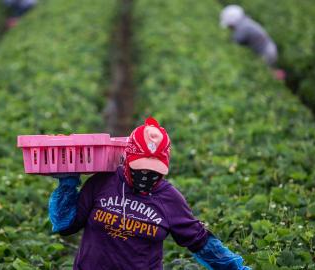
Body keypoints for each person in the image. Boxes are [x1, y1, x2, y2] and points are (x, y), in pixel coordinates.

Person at [48, 117, 251, 269]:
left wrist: (237, 268)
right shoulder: (103, 182)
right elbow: (66, 224)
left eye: (155, 171)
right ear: (127, 158)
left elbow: (201, 242)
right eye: (141, 167)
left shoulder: (169, 199)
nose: (146, 175)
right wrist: (67, 183)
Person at [220, 5, 285, 80]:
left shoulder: (243, 27)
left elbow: (235, 41)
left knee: (264, 74)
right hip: (269, 49)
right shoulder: (245, 22)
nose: (229, 27)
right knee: (267, 71)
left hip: (267, 52)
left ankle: (279, 78)